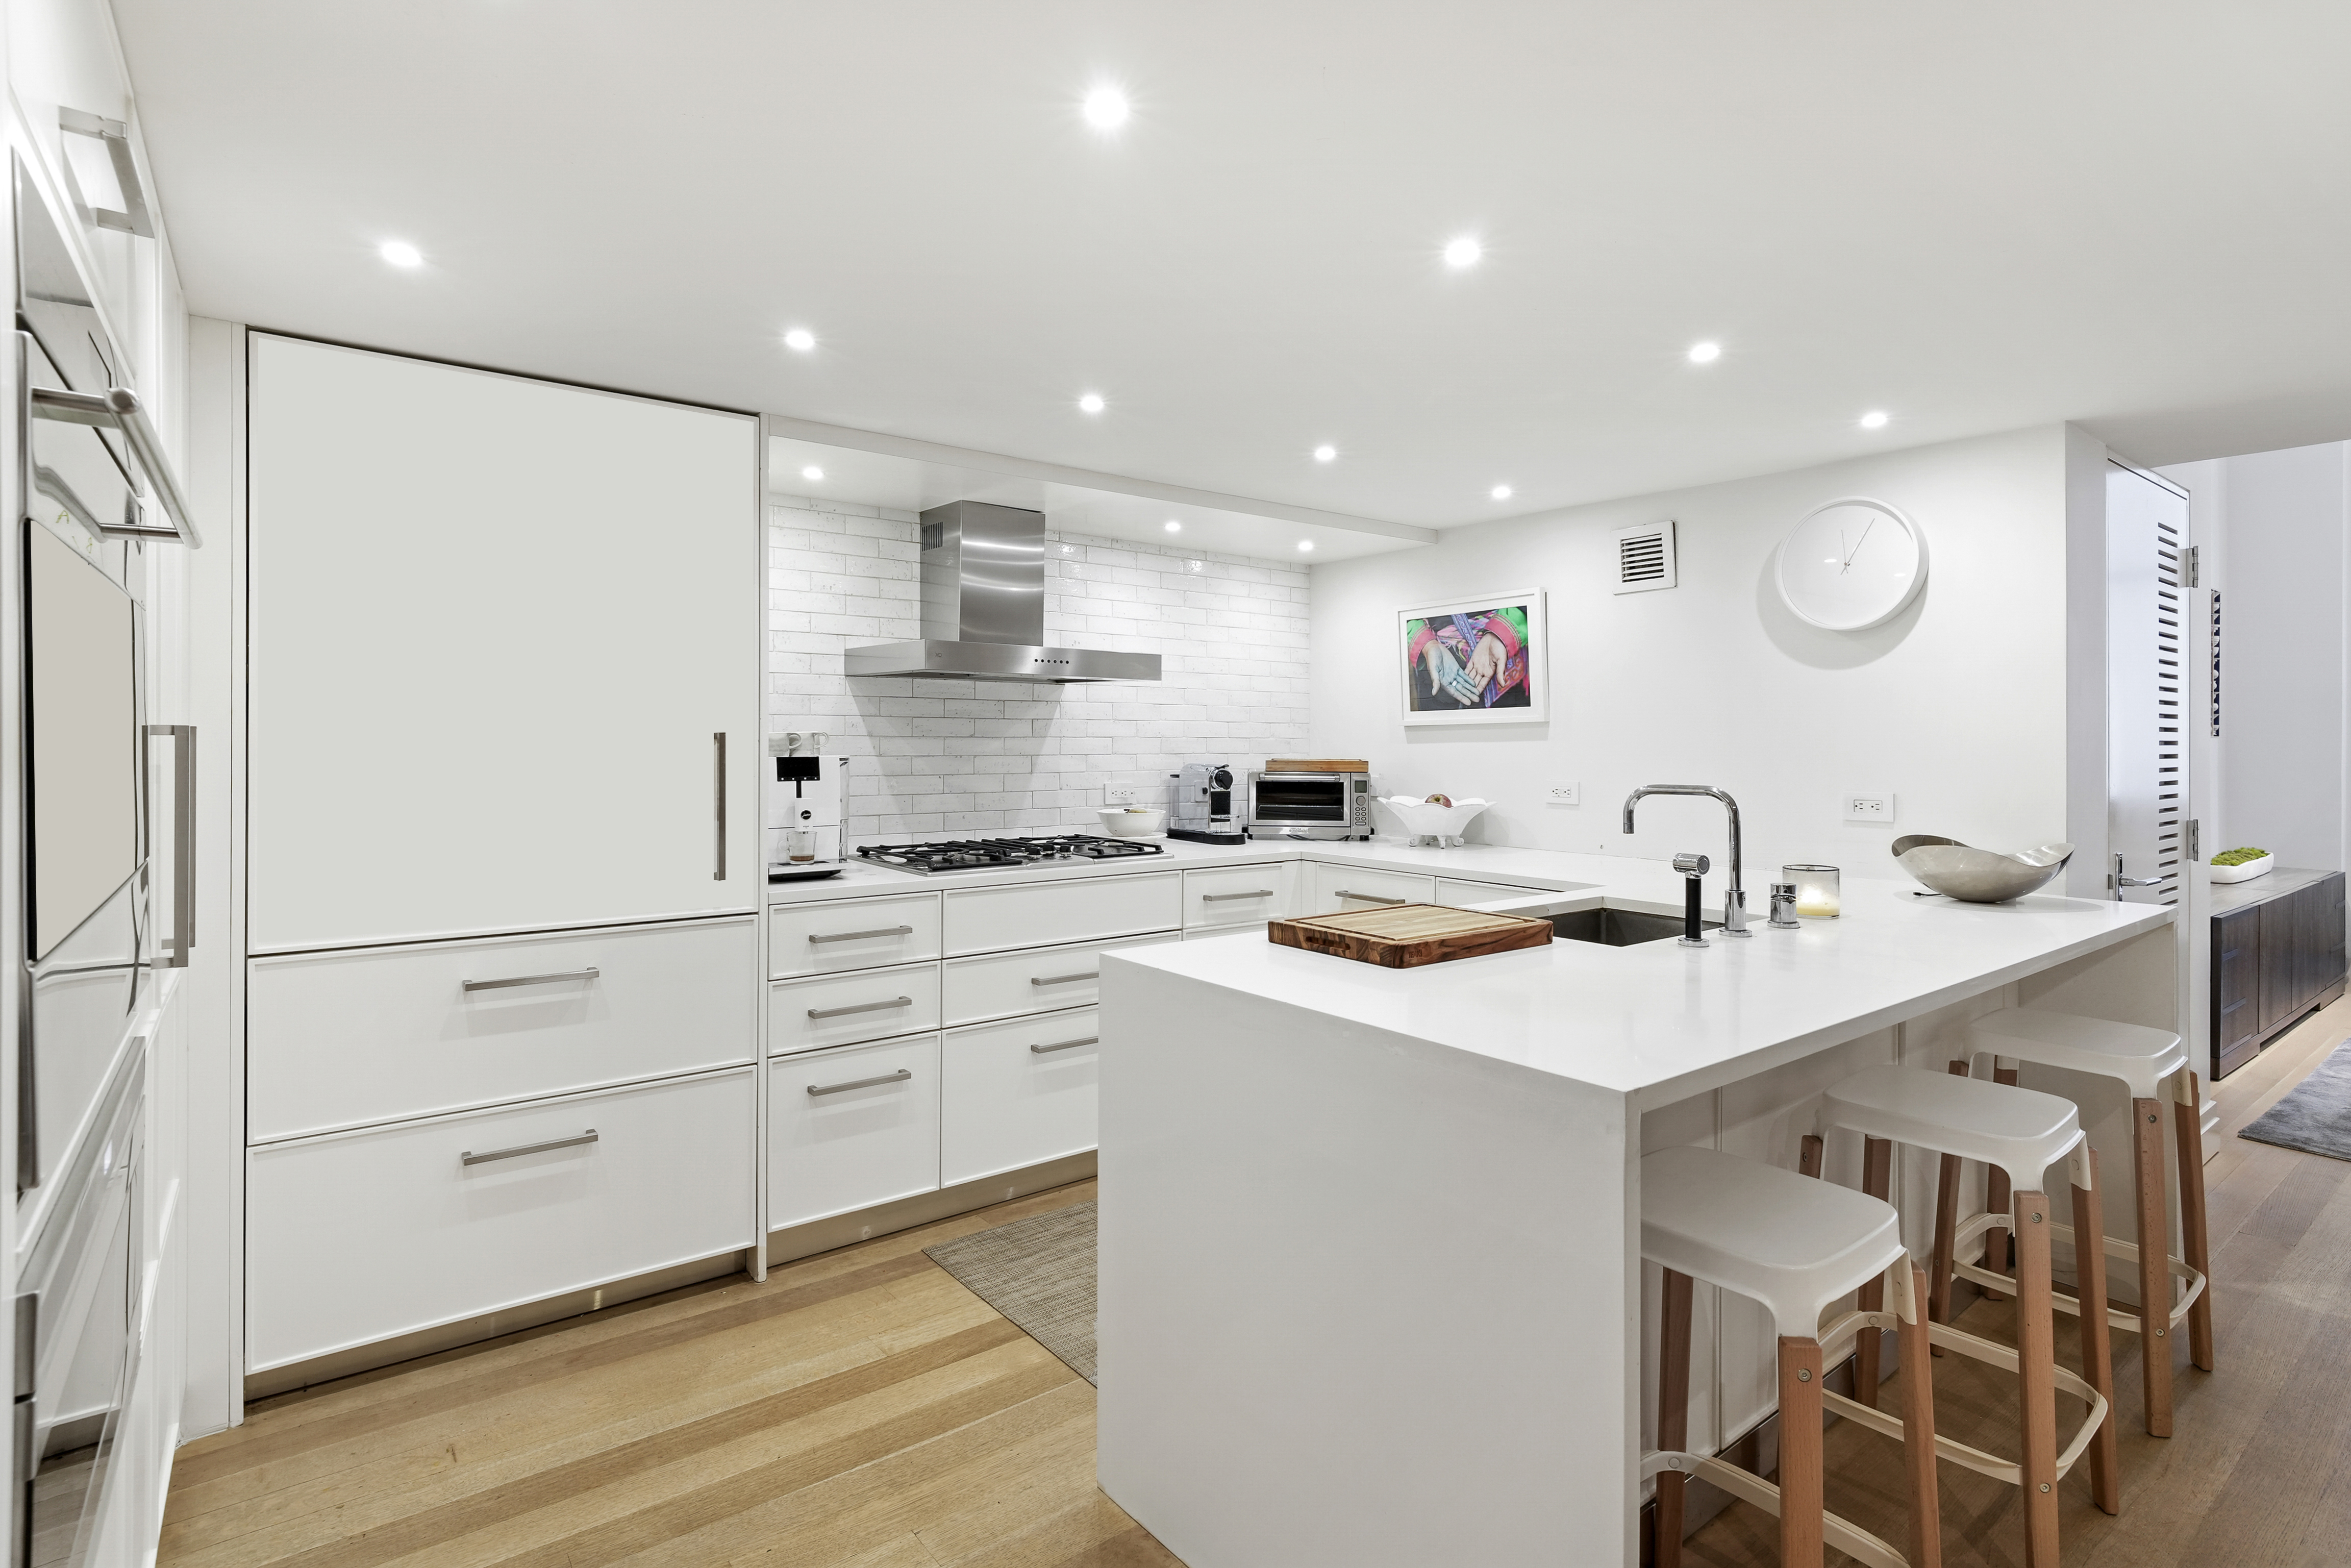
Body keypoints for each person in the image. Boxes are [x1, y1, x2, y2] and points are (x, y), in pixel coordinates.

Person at [1406, 605, 1530, 709]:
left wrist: (1503, 633)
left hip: (1506, 667)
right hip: (1441, 672)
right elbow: (1402, 611)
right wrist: (1427, 645)